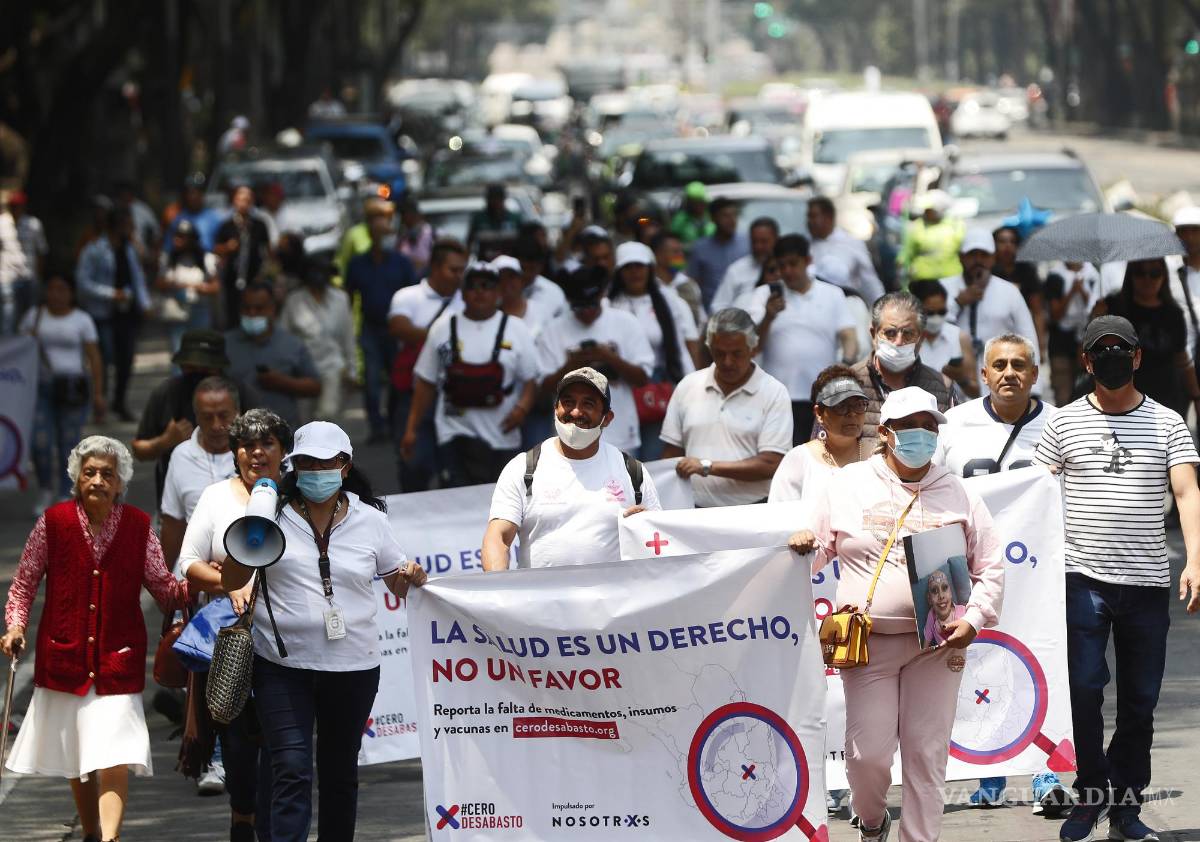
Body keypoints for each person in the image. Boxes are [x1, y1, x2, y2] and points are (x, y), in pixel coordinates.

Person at [789, 386, 1004, 842]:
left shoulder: (959, 494)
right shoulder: (846, 486)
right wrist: (800, 545)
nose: (921, 436)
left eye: (930, 427)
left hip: (938, 646)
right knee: (867, 756)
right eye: (910, 427)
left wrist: (975, 619)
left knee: (926, 756)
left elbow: (990, 566)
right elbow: (812, 553)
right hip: (869, 645)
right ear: (886, 433)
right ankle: (872, 821)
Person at [220, 421, 428, 842]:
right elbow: (231, 578)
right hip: (281, 664)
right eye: (306, 463)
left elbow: (396, 582)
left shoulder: (370, 519)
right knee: (292, 768)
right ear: (294, 468)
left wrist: (411, 575)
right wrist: (251, 532)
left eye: (324, 462)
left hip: (353, 667)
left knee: (339, 774)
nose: (315, 471)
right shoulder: (271, 513)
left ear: (344, 466)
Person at [1034, 315, 1200, 842]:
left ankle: (1124, 808)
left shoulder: (1168, 422)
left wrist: (1196, 558)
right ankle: (1090, 794)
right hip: (1081, 578)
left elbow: (1188, 493)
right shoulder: (1061, 424)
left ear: (1137, 358)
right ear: (1085, 361)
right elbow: (1034, 497)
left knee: (1140, 700)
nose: (1110, 357)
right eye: (1099, 350)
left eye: (1119, 349)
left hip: (1147, 582)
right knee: (1083, 689)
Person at [2, 436, 189, 842]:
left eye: (108, 474)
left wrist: (209, 580)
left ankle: (110, 838)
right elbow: (23, 585)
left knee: (115, 755)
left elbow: (163, 587)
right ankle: (90, 832)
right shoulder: (53, 523)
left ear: (120, 483)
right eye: (90, 473)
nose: (98, 481)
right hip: (64, 656)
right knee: (78, 757)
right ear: (77, 479)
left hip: (117, 658)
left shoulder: (140, 527)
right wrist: (15, 626)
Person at [932, 332, 1070, 814]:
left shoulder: (1059, 424)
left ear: (1034, 374)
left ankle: (1047, 776)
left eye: (1019, 365)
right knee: (977, 664)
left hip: (1038, 571)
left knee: (1044, 661)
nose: (1009, 373)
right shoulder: (954, 424)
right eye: (999, 365)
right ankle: (985, 772)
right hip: (972, 567)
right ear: (983, 374)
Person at [178, 408, 291, 840]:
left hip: (292, 645)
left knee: (286, 755)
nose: (256, 453)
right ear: (235, 452)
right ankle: (242, 818)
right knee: (242, 754)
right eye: (246, 445)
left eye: (267, 444)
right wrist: (229, 583)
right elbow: (187, 563)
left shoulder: (298, 497)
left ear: (283, 451)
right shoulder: (215, 498)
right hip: (233, 644)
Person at [482, 368, 662, 569]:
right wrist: (499, 591)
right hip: (540, 599)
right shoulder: (523, 468)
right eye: (568, 402)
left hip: (613, 599)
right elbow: (498, 538)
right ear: (555, 408)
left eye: (588, 403)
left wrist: (640, 528)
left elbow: (657, 543)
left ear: (607, 418)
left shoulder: (632, 472)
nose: (576, 412)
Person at [402, 264, 540, 487]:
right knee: (455, 496)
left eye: (487, 286)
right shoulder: (443, 327)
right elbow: (426, 382)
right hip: (454, 431)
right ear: (463, 292)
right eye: (473, 286)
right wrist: (411, 429)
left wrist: (522, 409)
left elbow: (531, 380)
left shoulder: (516, 328)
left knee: (499, 501)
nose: (480, 292)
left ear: (497, 293)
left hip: (501, 435)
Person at [661, 308, 792, 506]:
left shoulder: (774, 392)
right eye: (719, 353)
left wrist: (707, 467)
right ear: (709, 348)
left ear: (753, 348)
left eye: (736, 353)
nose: (727, 362)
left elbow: (771, 463)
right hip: (693, 511)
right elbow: (671, 454)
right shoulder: (688, 386)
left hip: (751, 511)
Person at [747, 234, 857, 444]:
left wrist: (846, 364)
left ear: (807, 261)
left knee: (822, 454)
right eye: (782, 266)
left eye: (793, 264)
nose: (787, 271)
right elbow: (752, 347)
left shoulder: (832, 294)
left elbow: (848, 335)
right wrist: (768, 316)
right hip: (776, 397)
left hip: (823, 395)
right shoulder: (764, 295)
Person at [132, 329, 258, 508]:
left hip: (239, 502)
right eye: (191, 368)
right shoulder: (168, 393)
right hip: (179, 504)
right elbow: (139, 449)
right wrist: (164, 441)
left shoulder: (240, 393)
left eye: (205, 369)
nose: (215, 425)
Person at [537, 267, 655, 455]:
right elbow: (543, 389)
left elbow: (643, 378)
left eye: (592, 305)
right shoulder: (553, 330)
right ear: (569, 302)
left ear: (602, 296)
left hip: (621, 435)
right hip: (571, 437)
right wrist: (572, 364)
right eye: (579, 307)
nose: (586, 313)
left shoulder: (626, 322)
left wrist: (609, 357)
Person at [20, 274, 105, 512]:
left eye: (62, 289)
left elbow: (94, 357)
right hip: (41, 388)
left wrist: (98, 393)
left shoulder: (82, 320)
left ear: (71, 293)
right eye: (52, 289)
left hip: (73, 389)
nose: (56, 295)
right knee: (40, 441)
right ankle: (46, 486)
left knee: (68, 443)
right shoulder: (33, 317)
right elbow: (19, 351)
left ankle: (64, 493)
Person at [608, 241, 699, 460]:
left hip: (657, 393)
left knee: (654, 461)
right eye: (628, 267)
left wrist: (692, 390)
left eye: (639, 266)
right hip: (620, 392)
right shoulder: (610, 304)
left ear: (650, 268)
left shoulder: (668, 301)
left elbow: (678, 349)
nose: (634, 272)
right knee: (621, 459)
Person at [387, 238, 466, 491]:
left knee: (453, 469)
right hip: (413, 394)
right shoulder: (408, 296)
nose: (459, 276)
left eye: (462, 270)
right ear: (435, 267)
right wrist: (444, 338)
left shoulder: (468, 301)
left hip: (455, 397)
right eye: (453, 270)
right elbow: (399, 327)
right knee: (415, 466)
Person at [849, 292, 960, 458]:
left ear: (921, 338)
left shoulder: (942, 387)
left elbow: (954, 448)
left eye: (908, 333)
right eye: (890, 333)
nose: (899, 342)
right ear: (874, 334)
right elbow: (825, 449)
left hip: (924, 482)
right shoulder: (847, 383)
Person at [1094, 258, 1200, 421]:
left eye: (1154, 273)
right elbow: (1089, 353)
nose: (1147, 279)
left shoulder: (1173, 314)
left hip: (1166, 401)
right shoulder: (1115, 308)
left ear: (1164, 276)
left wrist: (1196, 396)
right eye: (1140, 273)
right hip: (1120, 402)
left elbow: (1182, 359)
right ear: (1131, 276)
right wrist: (1094, 320)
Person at [345, 199, 417, 442]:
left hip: (396, 331)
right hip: (370, 328)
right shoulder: (358, 264)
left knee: (398, 380)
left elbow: (412, 295)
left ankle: (396, 423)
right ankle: (377, 427)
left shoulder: (401, 263)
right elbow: (348, 294)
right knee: (372, 381)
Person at [76, 206, 151, 421]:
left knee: (126, 359)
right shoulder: (95, 249)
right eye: (127, 225)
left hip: (127, 312)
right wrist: (111, 294)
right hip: (103, 313)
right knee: (105, 358)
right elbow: (83, 283)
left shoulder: (129, 249)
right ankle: (100, 401)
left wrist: (144, 303)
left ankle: (119, 402)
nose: (131, 229)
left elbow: (137, 278)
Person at [159, 377, 239, 571]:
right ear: (195, 416)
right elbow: (173, 524)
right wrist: (164, 582)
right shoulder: (181, 456)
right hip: (193, 579)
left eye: (223, 415)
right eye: (207, 417)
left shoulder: (256, 456)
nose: (216, 425)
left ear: (238, 413)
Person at [224, 282, 322, 429]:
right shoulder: (225, 344)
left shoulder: (292, 345)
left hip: (283, 433)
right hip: (237, 433)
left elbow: (315, 387)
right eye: (246, 308)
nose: (252, 314)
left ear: (272, 309)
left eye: (259, 308)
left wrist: (282, 382)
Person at [940, 227, 1040, 367]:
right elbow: (929, 331)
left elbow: (1028, 337)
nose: (978, 260)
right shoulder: (943, 289)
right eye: (972, 254)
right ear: (961, 257)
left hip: (999, 377)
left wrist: (1034, 382)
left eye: (984, 255)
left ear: (993, 258)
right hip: (953, 376)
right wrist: (957, 303)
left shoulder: (1009, 292)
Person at [768, 366, 869, 504]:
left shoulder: (878, 457)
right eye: (841, 406)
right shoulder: (799, 459)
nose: (852, 413)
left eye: (859, 405)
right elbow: (780, 516)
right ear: (819, 413)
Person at [279, 262, 357, 421]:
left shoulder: (340, 299)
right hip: (304, 369)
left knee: (329, 413)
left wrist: (352, 368)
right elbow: (283, 336)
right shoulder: (294, 300)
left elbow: (348, 336)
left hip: (332, 366)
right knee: (304, 418)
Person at [156, 219, 220, 355]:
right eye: (175, 236)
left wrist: (199, 288)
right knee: (179, 351)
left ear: (191, 239)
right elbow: (159, 283)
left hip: (200, 310)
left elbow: (216, 286)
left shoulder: (206, 259)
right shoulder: (168, 258)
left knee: (200, 351)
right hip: (177, 312)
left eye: (181, 237)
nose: (176, 240)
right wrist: (176, 285)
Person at [807, 196, 885, 304]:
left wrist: (882, 308)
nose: (809, 222)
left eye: (813, 216)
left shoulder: (851, 243)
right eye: (808, 217)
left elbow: (869, 281)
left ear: (828, 217)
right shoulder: (805, 245)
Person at [1045, 260, 1103, 406]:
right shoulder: (1055, 277)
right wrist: (1072, 291)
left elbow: (1096, 308)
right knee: (1062, 392)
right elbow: (1055, 314)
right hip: (1060, 343)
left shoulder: (1093, 276)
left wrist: (1082, 290)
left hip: (1086, 341)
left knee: (1085, 392)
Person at [213, 185, 271, 328]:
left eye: (247, 200)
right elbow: (216, 249)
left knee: (255, 313)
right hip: (232, 279)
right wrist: (227, 247)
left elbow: (267, 250)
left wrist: (265, 272)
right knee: (233, 315)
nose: (243, 203)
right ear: (234, 201)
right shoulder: (226, 225)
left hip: (254, 278)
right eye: (240, 199)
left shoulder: (259, 225)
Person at [910, 279, 979, 398]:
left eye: (941, 312)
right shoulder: (906, 339)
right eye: (930, 313)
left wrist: (961, 378)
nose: (936, 317)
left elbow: (975, 392)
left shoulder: (959, 337)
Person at [687, 197, 750, 310]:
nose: (731, 220)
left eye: (734, 215)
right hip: (712, 315)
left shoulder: (747, 243)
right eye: (725, 215)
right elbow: (694, 284)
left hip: (744, 312)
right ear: (713, 218)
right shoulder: (700, 248)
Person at [992, 225, 1047, 351]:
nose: (1007, 246)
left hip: (1022, 334)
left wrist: (1040, 343)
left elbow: (1037, 311)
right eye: (1002, 241)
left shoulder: (1027, 271)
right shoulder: (986, 272)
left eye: (1012, 241)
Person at [896, 189, 964, 285]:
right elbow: (906, 253)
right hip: (923, 281)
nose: (926, 212)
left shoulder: (955, 225)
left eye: (930, 210)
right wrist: (901, 268)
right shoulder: (917, 227)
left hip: (951, 279)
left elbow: (964, 250)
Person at [711, 216, 778, 314]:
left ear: (776, 239)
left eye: (764, 241)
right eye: (754, 241)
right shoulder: (736, 269)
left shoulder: (787, 268)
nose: (758, 246)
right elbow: (718, 306)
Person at [5, 190, 47, 331]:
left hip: (30, 276)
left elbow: (41, 251)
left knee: (29, 317)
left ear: (23, 207)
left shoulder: (34, 224)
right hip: (7, 278)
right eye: (13, 206)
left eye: (18, 206)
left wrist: (39, 277)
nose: (15, 209)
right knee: (8, 318)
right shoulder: (2, 224)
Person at [651, 230, 706, 328]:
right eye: (675, 251)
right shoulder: (649, 286)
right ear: (658, 255)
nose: (681, 255)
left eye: (681, 251)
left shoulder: (689, 284)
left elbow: (702, 322)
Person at [1169, 206, 1200, 372]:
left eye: (1195, 231)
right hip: (1179, 360)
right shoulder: (1167, 270)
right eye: (1183, 231)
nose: (1190, 237)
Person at [493, 254, 553, 338]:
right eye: (500, 278)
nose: (506, 283)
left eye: (511, 276)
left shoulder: (542, 311)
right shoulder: (488, 316)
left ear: (522, 280)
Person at [513, 234, 567, 320]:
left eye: (532, 263)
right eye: (523, 266)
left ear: (541, 265)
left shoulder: (554, 292)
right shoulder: (503, 291)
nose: (526, 272)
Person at [166, 174, 222, 253]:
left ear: (202, 195)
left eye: (197, 192)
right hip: (184, 261)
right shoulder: (178, 219)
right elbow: (169, 247)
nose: (194, 197)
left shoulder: (213, 218)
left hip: (207, 260)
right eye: (191, 193)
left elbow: (221, 245)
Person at [467, 183, 523, 252]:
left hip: (510, 260)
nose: (495, 202)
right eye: (492, 199)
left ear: (503, 199)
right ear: (487, 200)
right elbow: (470, 243)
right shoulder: (479, 219)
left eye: (498, 199)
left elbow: (523, 244)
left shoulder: (515, 219)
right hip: (485, 261)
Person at [922, 571, 965, 645]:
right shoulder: (931, 616)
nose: (941, 596)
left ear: (950, 593)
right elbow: (925, 647)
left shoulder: (964, 612)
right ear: (929, 599)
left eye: (944, 588)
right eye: (934, 591)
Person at [669, 181, 715, 247]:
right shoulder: (679, 220)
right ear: (688, 203)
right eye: (694, 203)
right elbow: (672, 241)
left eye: (700, 202)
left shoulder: (713, 216)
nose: (698, 206)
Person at [397, 197, 434, 273]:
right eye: (402, 216)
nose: (404, 220)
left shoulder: (433, 234)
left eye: (407, 215)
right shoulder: (402, 238)